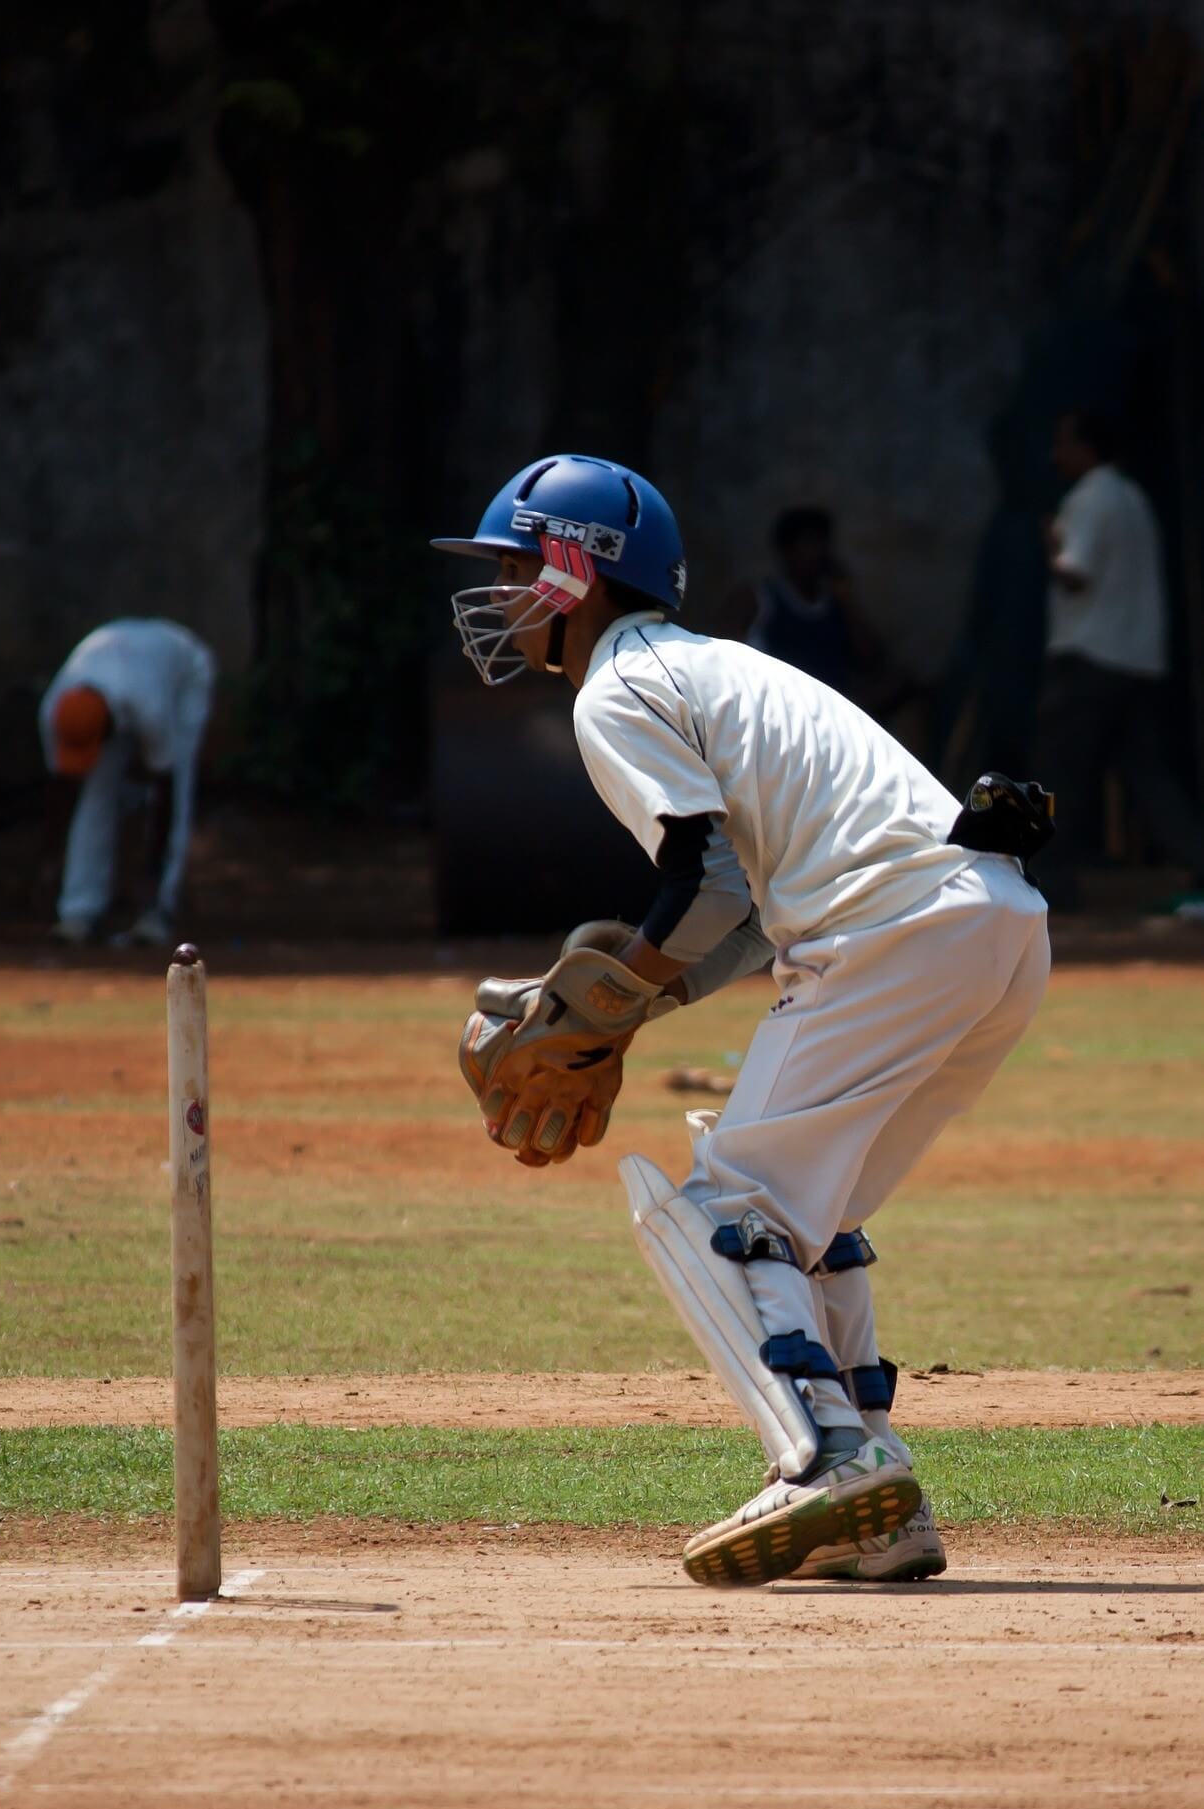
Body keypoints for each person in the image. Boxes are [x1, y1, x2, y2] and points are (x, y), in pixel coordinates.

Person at [435, 454, 1051, 1587]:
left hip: (894, 928)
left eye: (516, 565)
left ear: (575, 573)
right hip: (994, 925)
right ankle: (882, 1511)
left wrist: (598, 1010)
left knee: (723, 1210)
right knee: (804, 1217)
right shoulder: (705, 665)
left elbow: (703, 874)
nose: (500, 591)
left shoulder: (615, 688)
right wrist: (622, 1008)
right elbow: (732, 913)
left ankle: (824, 1461)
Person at [1034, 408, 1204, 911]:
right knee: (1149, 775)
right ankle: (1199, 864)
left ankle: (1047, 884)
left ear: (1087, 449)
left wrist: (1050, 542)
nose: (1055, 455)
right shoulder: (1133, 497)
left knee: (1056, 773)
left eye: (1063, 443)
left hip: (1089, 655)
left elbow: (1074, 573)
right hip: (1136, 659)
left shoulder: (1088, 498)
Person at [38, 618, 214, 947]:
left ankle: (157, 911)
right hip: (126, 676)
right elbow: (62, 786)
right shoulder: (55, 710)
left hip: (182, 672)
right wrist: (51, 858)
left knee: (180, 786)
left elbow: (166, 792)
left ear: (108, 726)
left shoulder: (151, 708)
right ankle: (79, 912)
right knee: (94, 792)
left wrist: (151, 873)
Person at [720, 506, 881, 700]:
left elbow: (872, 661)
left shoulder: (837, 603)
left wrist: (848, 601)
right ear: (786, 551)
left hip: (829, 709)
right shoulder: (759, 599)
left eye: (822, 544)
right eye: (808, 544)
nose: (817, 554)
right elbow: (726, 660)